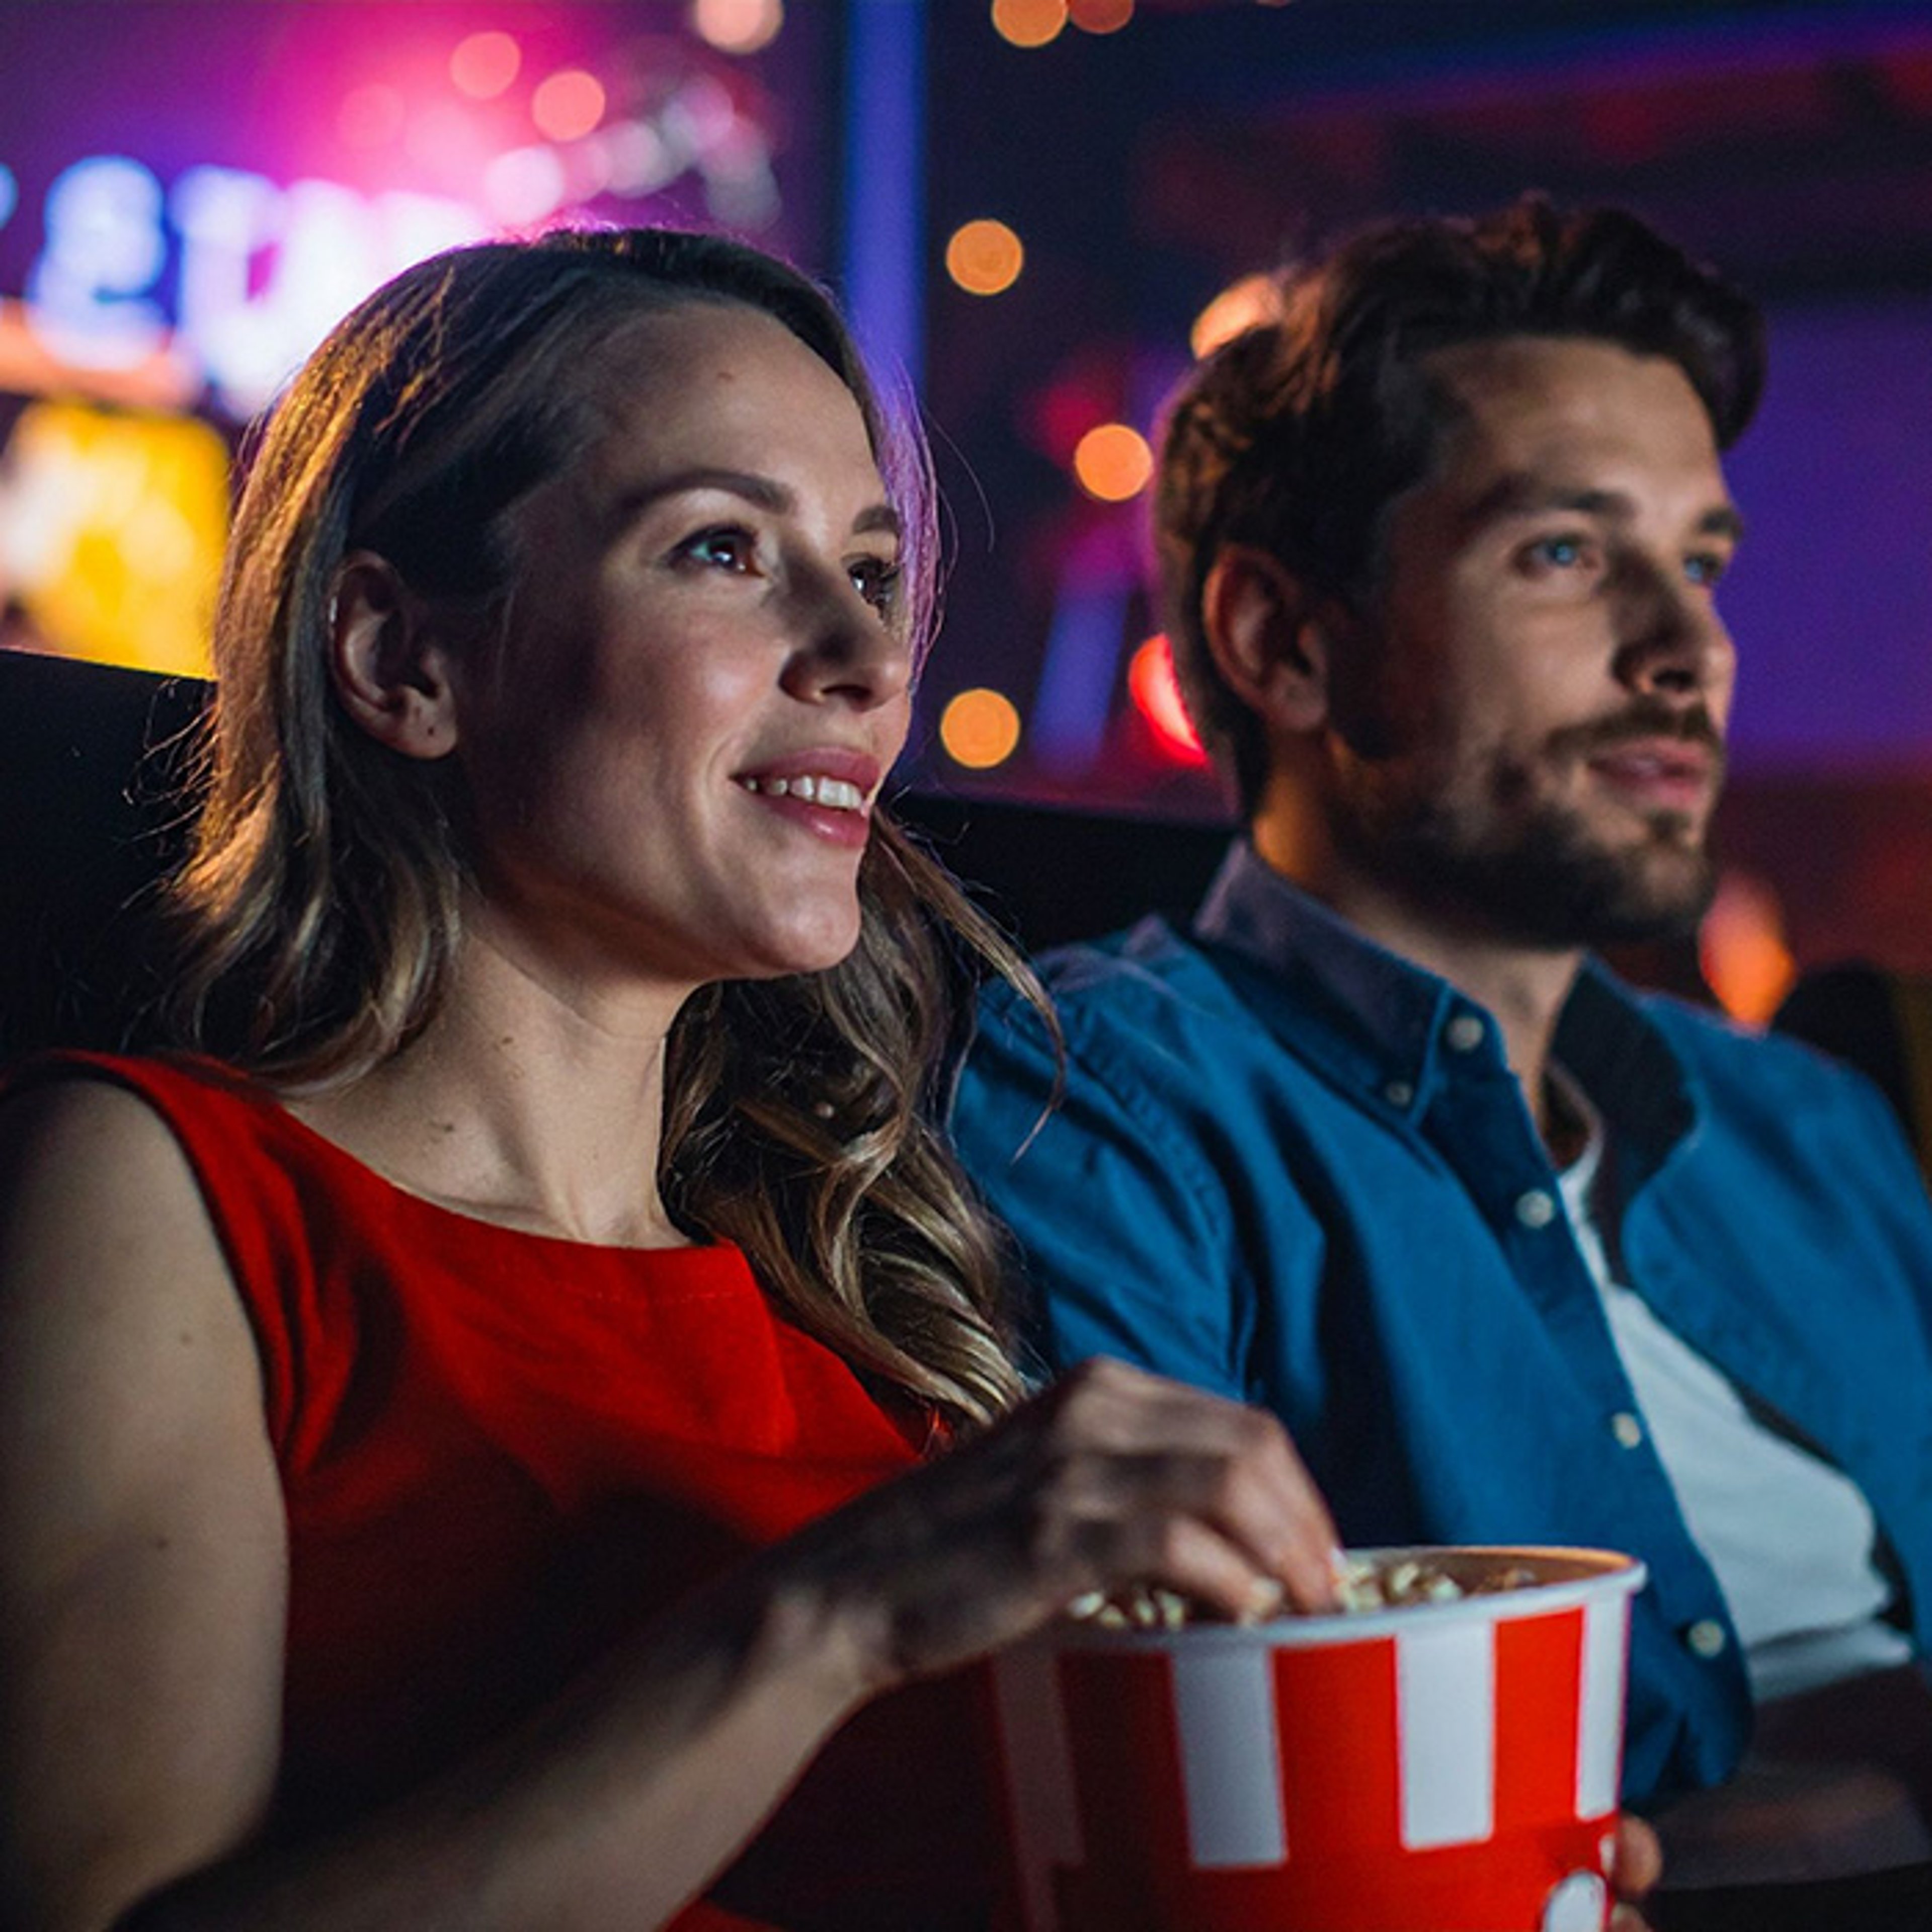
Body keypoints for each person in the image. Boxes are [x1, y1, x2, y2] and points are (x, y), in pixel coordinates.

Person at [0, 226, 1359, 1932]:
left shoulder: (850, 1288)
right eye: (724, 549)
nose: (866, 660)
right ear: (396, 662)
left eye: (870, 573)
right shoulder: (153, 1190)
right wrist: (827, 1620)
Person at [951, 197, 1932, 1894]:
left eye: (1698, 563)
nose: (1688, 648)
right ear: (1282, 642)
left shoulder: (1813, 1124)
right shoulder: (1094, 1109)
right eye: (1564, 552)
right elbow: (1194, 1802)